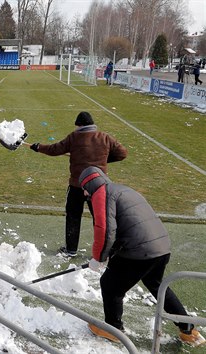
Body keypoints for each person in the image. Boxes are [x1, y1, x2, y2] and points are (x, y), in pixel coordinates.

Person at [79, 166, 205, 347]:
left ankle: (113, 329)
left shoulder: (102, 193)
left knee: (110, 285)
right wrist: (109, 254)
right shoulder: (123, 189)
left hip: (140, 252)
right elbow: (129, 224)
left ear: (89, 184)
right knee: (156, 285)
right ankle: (188, 330)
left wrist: (98, 257)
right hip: (161, 247)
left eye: (83, 188)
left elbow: (105, 230)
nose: (84, 194)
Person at [29, 112, 127, 258]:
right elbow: (122, 153)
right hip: (99, 187)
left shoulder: (74, 137)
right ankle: (106, 251)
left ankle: (71, 249)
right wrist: (104, 160)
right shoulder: (105, 137)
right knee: (101, 219)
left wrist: (38, 147)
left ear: (79, 125)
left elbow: (54, 149)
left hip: (77, 185)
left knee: (73, 216)